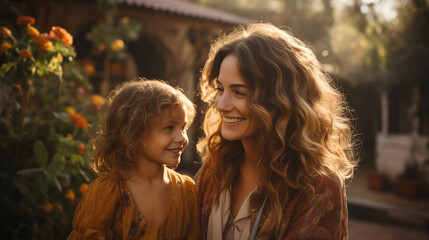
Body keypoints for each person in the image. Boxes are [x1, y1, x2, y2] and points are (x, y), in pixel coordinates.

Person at [195, 22, 357, 240]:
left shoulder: (317, 186)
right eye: (220, 89)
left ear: (280, 101)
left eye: (239, 93)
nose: (221, 104)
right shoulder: (215, 168)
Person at [67, 79, 199, 240]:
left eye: (183, 128)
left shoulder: (186, 191)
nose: (182, 138)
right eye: (169, 128)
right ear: (133, 132)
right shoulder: (109, 192)